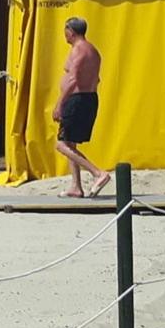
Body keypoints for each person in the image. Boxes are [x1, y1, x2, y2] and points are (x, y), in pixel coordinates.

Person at [54, 16, 108, 197]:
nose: (64, 34)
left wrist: (59, 104)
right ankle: (76, 187)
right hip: (89, 98)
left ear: (70, 31)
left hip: (77, 99)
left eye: (65, 30)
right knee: (71, 142)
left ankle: (98, 173)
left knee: (61, 144)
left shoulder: (79, 50)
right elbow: (96, 79)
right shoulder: (93, 51)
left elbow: (73, 79)